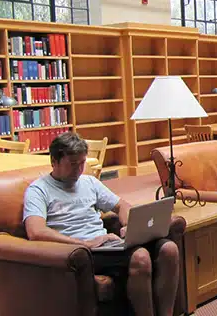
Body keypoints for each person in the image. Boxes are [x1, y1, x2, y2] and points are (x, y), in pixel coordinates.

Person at [23, 132, 179, 316]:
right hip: (81, 251)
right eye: (73, 164)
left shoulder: (89, 182)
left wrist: (129, 226)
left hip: (107, 244)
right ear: (54, 161)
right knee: (141, 257)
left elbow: (121, 205)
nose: (79, 169)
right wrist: (85, 244)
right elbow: (35, 231)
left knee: (169, 250)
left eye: (82, 163)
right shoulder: (38, 190)